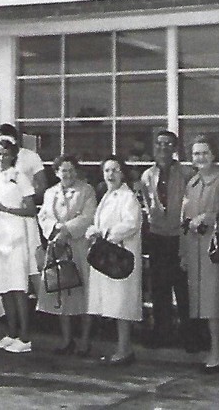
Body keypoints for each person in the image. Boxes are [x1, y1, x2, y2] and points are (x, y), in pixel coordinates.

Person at [180, 135, 219, 373]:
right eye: (196, 154)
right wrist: (183, 252)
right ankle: (212, 349)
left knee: (215, 304)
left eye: (204, 153)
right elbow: (184, 220)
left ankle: (218, 352)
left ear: (214, 154)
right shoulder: (192, 183)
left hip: (216, 251)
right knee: (203, 304)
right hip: (195, 251)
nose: (200, 158)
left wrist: (212, 218)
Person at [140, 130, 198, 350]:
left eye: (168, 144)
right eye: (160, 143)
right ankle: (161, 333)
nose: (163, 148)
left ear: (175, 148)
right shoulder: (147, 175)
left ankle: (190, 337)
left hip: (180, 237)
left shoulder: (186, 173)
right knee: (159, 288)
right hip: (157, 238)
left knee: (183, 289)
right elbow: (147, 205)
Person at [36, 155, 97, 357]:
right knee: (61, 290)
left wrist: (66, 230)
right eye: (64, 170)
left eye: (71, 170)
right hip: (57, 247)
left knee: (83, 291)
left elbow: (88, 216)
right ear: (56, 172)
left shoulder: (86, 190)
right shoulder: (50, 192)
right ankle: (66, 339)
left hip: (79, 246)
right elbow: (43, 215)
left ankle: (85, 340)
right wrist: (55, 230)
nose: (68, 174)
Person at [0, 137, 38, 354]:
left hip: (16, 235)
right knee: (3, 286)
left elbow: (31, 209)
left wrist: (4, 208)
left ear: (13, 155)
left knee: (17, 287)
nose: (1, 158)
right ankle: (12, 333)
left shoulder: (21, 177)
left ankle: (25, 337)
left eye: (5, 154)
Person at [86, 156, 143, 366]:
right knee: (113, 303)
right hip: (108, 257)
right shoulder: (107, 196)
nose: (110, 175)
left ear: (123, 173)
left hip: (122, 257)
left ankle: (124, 349)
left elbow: (131, 223)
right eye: (107, 170)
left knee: (122, 304)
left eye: (115, 170)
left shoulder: (128, 197)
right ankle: (122, 347)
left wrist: (106, 234)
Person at [0, 124, 46, 284]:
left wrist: (23, 200)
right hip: (5, 220)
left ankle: (42, 306)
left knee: (33, 263)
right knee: (10, 263)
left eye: (1, 139)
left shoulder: (30, 156)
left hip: (25, 217)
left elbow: (42, 186)